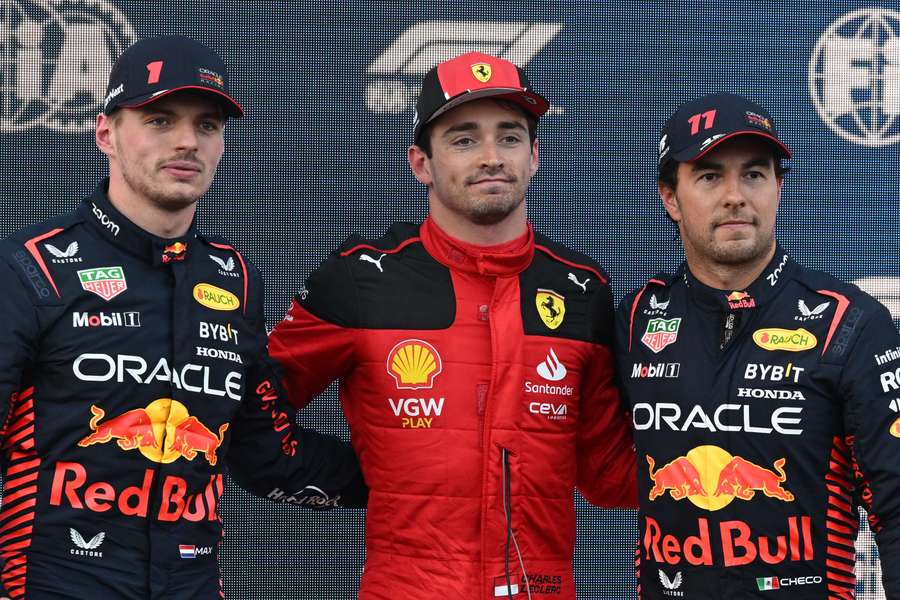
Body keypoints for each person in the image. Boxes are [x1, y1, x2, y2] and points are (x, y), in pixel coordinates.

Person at [0, 35, 365, 598]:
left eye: (208, 125)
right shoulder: (33, 266)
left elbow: (267, 453)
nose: (187, 142)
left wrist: (426, 476)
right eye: (160, 120)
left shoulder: (232, 278)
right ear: (106, 134)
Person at [267, 51, 637, 600]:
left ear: (535, 155)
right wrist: (351, 481)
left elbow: (608, 473)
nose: (491, 156)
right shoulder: (361, 276)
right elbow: (245, 409)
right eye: (464, 139)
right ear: (421, 163)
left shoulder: (582, 288)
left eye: (509, 137)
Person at [616, 92, 900, 598]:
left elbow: (896, 503)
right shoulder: (637, 318)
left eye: (754, 173)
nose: (735, 195)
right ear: (670, 198)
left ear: (778, 188)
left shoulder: (849, 323)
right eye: (709, 176)